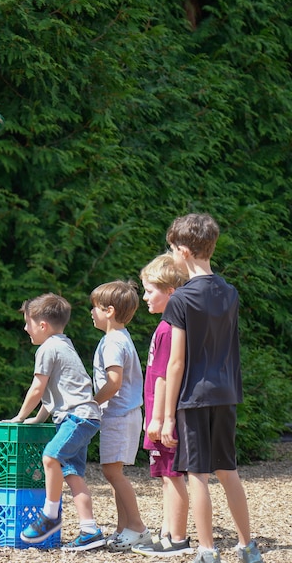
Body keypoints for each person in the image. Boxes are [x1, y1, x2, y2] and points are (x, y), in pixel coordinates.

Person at [158, 213, 263, 563]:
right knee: (228, 471)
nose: (171, 254)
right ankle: (248, 547)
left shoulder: (181, 300)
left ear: (185, 251)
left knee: (198, 475)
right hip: (227, 392)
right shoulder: (230, 293)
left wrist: (168, 417)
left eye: (172, 249)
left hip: (193, 396)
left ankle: (207, 550)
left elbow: (176, 363)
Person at [2, 293, 106, 552]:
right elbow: (55, 393)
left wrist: (20, 416)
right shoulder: (62, 344)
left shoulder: (47, 348)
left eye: (28, 323)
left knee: (50, 457)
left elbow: (38, 387)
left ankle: (50, 515)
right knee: (73, 475)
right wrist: (38, 419)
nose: (26, 328)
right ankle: (90, 530)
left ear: (42, 325)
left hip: (77, 417)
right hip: (82, 417)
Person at [132, 254, 193, 557]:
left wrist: (157, 418)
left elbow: (166, 378)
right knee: (164, 476)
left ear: (170, 291)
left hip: (163, 416)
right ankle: (166, 532)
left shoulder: (170, 329)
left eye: (150, 290)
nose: (144, 297)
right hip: (155, 414)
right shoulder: (164, 326)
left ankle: (178, 538)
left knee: (173, 474)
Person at [89, 279, 152, 552]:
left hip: (118, 414)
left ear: (110, 310)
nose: (92, 313)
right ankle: (124, 528)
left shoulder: (112, 341)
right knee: (115, 472)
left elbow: (114, 382)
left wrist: (91, 403)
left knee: (111, 472)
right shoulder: (120, 338)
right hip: (126, 414)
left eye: (95, 308)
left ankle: (138, 527)